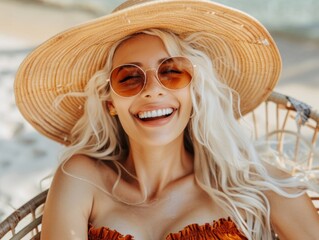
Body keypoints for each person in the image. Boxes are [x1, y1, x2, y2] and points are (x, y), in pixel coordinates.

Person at [14, 0, 319, 239]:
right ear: (110, 102)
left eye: (172, 72)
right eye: (129, 78)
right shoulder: (81, 178)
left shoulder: (257, 185)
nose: (152, 91)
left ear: (195, 91)